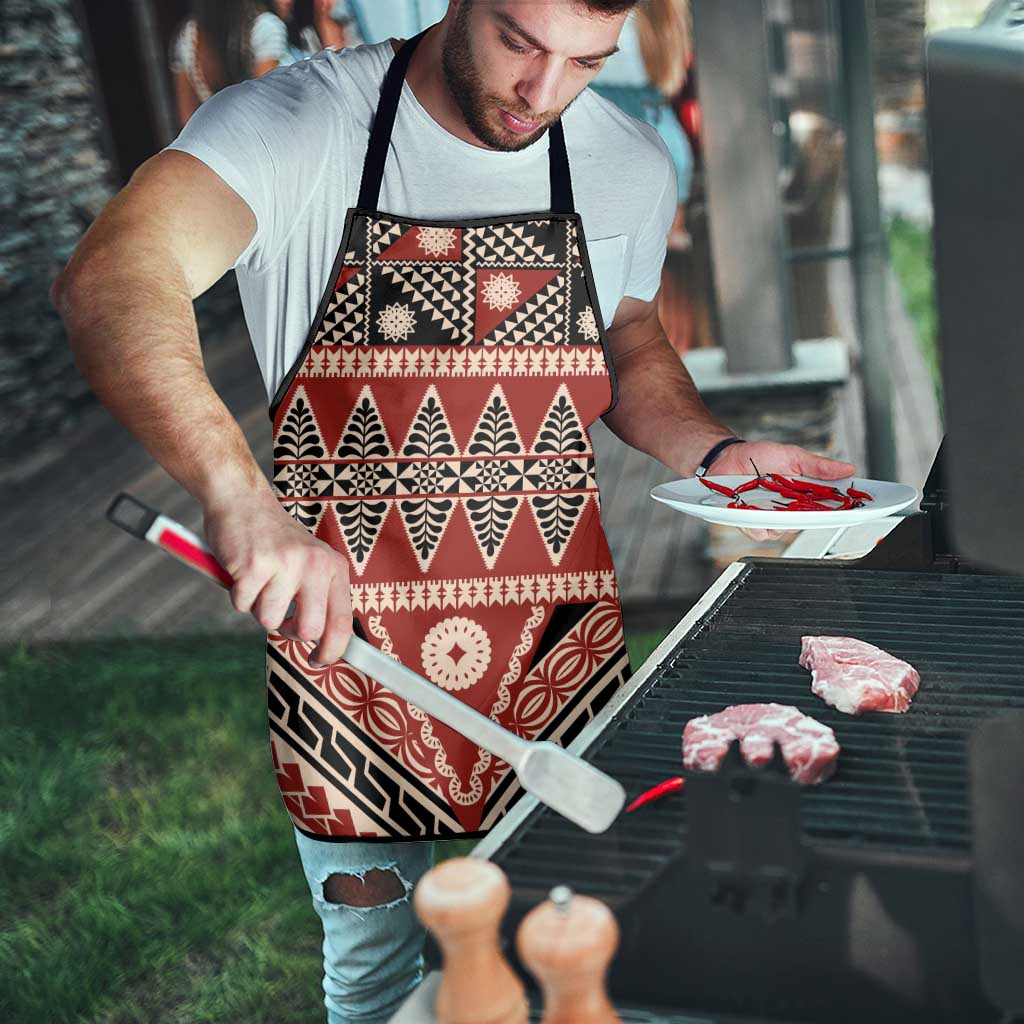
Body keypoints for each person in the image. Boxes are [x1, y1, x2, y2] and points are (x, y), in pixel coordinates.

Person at [52, 2, 856, 1020]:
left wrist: (716, 451)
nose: (543, 93)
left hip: (553, 638)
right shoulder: (299, 125)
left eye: (586, 62)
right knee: (378, 976)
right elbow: (114, 276)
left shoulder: (626, 161)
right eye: (520, 42)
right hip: (352, 655)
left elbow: (628, 338)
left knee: (590, 949)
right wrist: (238, 495)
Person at [169, 0, 289, 127]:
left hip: (216, 135)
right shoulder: (265, 27)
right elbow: (266, 107)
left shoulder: (188, 37)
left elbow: (187, 120)